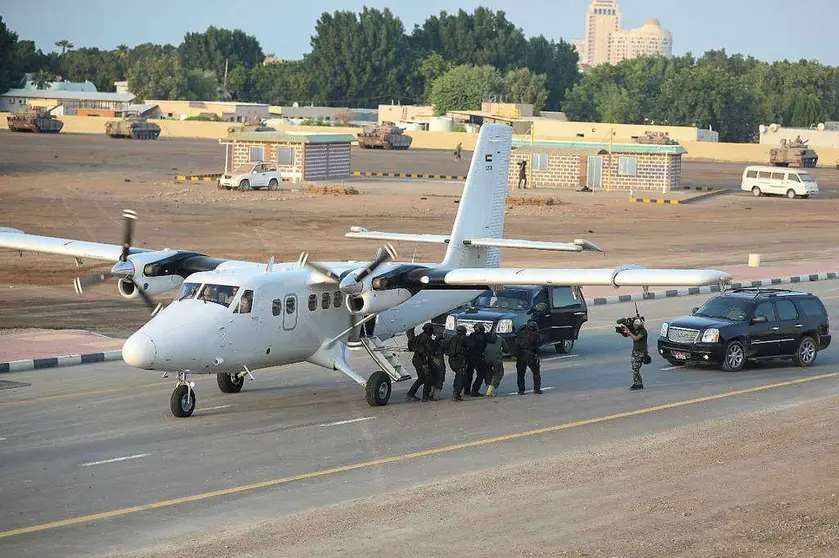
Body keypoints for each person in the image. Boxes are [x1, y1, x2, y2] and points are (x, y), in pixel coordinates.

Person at [406, 324, 440, 402]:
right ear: (430, 330)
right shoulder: (426, 338)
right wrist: (437, 341)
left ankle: (411, 394)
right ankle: (424, 396)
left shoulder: (420, 336)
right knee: (428, 378)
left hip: (417, 360)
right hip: (422, 361)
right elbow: (430, 349)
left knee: (422, 378)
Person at [514, 321, 541, 395]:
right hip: (530, 355)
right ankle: (537, 389)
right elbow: (539, 344)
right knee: (536, 372)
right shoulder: (535, 334)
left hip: (521, 355)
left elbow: (516, 343)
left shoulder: (521, 334)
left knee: (520, 374)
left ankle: (521, 390)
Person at [622, 317, 648, 390]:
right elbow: (627, 335)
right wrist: (625, 330)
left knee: (635, 368)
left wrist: (629, 332)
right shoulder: (636, 330)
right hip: (635, 352)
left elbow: (636, 338)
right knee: (635, 368)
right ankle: (638, 383)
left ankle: (638, 383)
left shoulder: (643, 331)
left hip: (640, 353)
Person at [445, 325, 469, 401]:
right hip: (460, 360)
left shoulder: (452, 338)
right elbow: (471, 345)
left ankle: (456, 392)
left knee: (458, 375)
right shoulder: (464, 338)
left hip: (452, 360)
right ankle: (456, 394)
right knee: (461, 377)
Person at [483, 332, 509, 397]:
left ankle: (488, 386)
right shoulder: (501, 339)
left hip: (486, 359)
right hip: (497, 359)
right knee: (499, 373)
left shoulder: (485, 339)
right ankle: (490, 389)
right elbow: (506, 350)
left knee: (488, 373)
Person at [466, 323, 489, 396]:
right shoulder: (484, 336)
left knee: (469, 374)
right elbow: (493, 339)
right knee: (481, 374)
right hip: (478, 357)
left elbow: (468, 345)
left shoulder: (472, 335)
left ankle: (467, 390)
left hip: (470, 357)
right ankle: (474, 390)